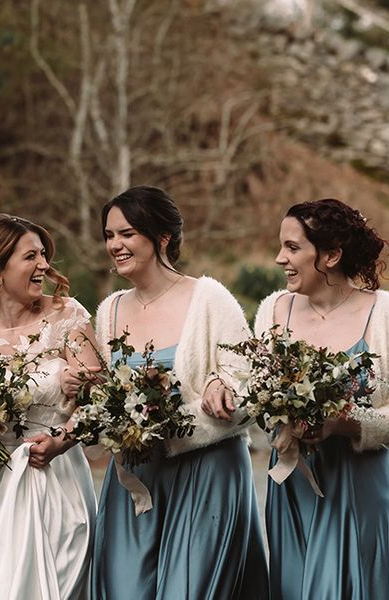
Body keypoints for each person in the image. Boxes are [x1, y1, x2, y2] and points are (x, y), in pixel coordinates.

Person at [87, 185, 269, 600]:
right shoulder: (110, 309)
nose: (115, 244)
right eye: (109, 235)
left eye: (127, 234)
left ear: (162, 238)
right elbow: (106, 396)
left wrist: (222, 385)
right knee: (124, 590)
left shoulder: (210, 299)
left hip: (207, 475)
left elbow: (251, 384)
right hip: (136, 480)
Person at [255, 198, 389, 600]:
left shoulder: (387, 314)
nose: (280, 258)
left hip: (360, 490)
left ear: (331, 255)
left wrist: (346, 422)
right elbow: (256, 396)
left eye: (293, 248)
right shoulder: (272, 310)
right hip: (291, 490)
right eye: (281, 246)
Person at [0, 213, 99, 600]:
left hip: (56, 481)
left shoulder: (68, 316)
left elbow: (99, 402)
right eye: (31, 257)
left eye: (43, 255)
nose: (44, 265)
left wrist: (64, 438)